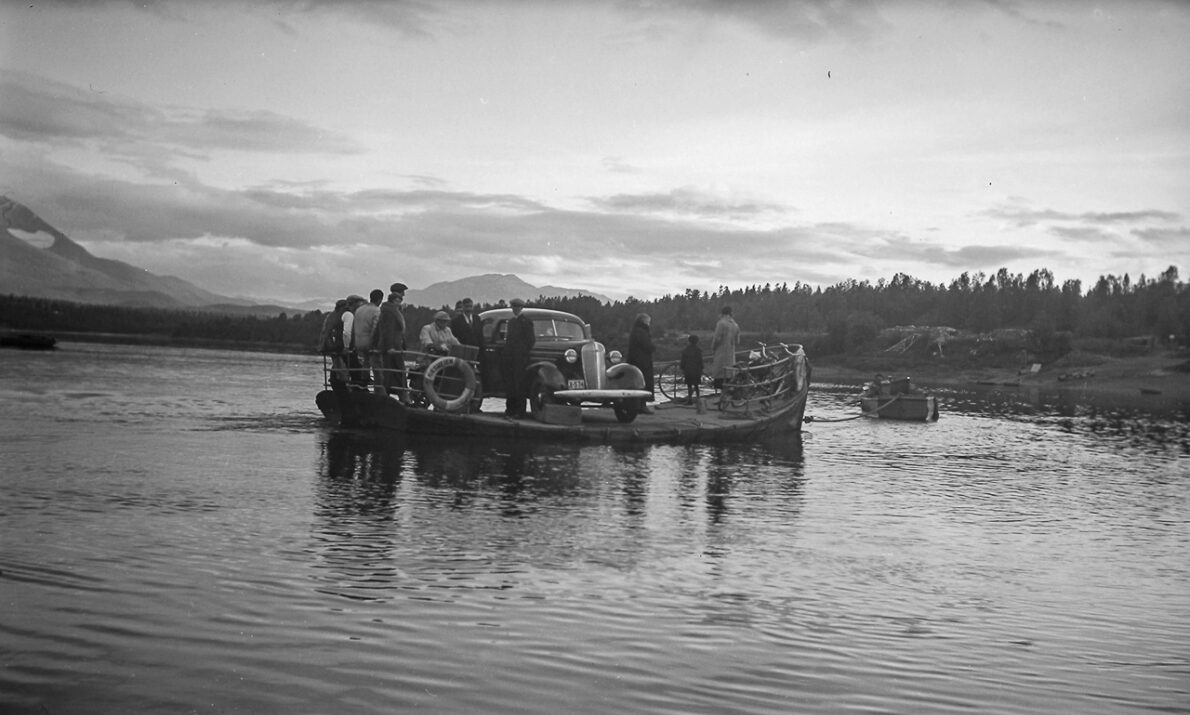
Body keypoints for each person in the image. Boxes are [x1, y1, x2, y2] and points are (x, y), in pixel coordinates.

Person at [504, 297, 535, 418]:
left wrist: (522, 352)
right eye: (513, 307)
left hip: (521, 359)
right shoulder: (511, 322)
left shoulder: (526, 322)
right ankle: (510, 409)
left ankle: (520, 411)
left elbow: (531, 340)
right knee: (511, 384)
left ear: (521, 308)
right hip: (510, 358)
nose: (515, 309)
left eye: (517, 307)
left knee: (519, 385)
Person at [378, 285, 408, 401]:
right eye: (397, 300)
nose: (399, 302)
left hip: (396, 346)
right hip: (392, 348)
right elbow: (388, 330)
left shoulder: (392, 311)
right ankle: (401, 397)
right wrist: (389, 346)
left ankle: (397, 396)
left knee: (394, 372)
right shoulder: (390, 312)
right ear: (392, 301)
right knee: (395, 372)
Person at [353, 289, 384, 392]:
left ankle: (364, 384)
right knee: (377, 367)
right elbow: (375, 328)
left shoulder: (359, 310)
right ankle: (378, 390)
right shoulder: (376, 311)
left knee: (365, 363)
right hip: (369, 342)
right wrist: (374, 343)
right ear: (380, 299)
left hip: (358, 342)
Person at [626, 312, 655, 413]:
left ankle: (636, 405)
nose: (649, 323)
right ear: (644, 321)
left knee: (635, 383)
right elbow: (646, 346)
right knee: (643, 383)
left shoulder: (635, 331)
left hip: (635, 360)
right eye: (648, 321)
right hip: (642, 362)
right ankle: (642, 405)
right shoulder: (641, 332)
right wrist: (653, 347)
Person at [710, 305, 740, 391]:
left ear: (722, 313)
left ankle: (721, 397)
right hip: (731, 354)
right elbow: (737, 341)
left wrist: (713, 348)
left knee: (720, 375)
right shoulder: (735, 325)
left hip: (721, 353)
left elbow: (717, 338)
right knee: (729, 374)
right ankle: (727, 395)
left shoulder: (721, 323)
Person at [341, 294, 367, 387]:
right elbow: (347, 332)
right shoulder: (349, 315)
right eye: (360, 304)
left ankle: (355, 387)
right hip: (348, 349)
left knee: (351, 369)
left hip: (351, 348)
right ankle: (358, 388)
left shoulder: (347, 314)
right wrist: (347, 347)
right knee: (354, 370)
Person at [679, 334, 705, 405]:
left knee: (689, 385)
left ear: (689, 341)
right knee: (696, 385)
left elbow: (683, 362)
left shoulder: (685, 350)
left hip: (688, 370)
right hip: (697, 371)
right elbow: (700, 361)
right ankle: (698, 399)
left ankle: (690, 400)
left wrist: (682, 368)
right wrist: (702, 368)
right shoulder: (699, 350)